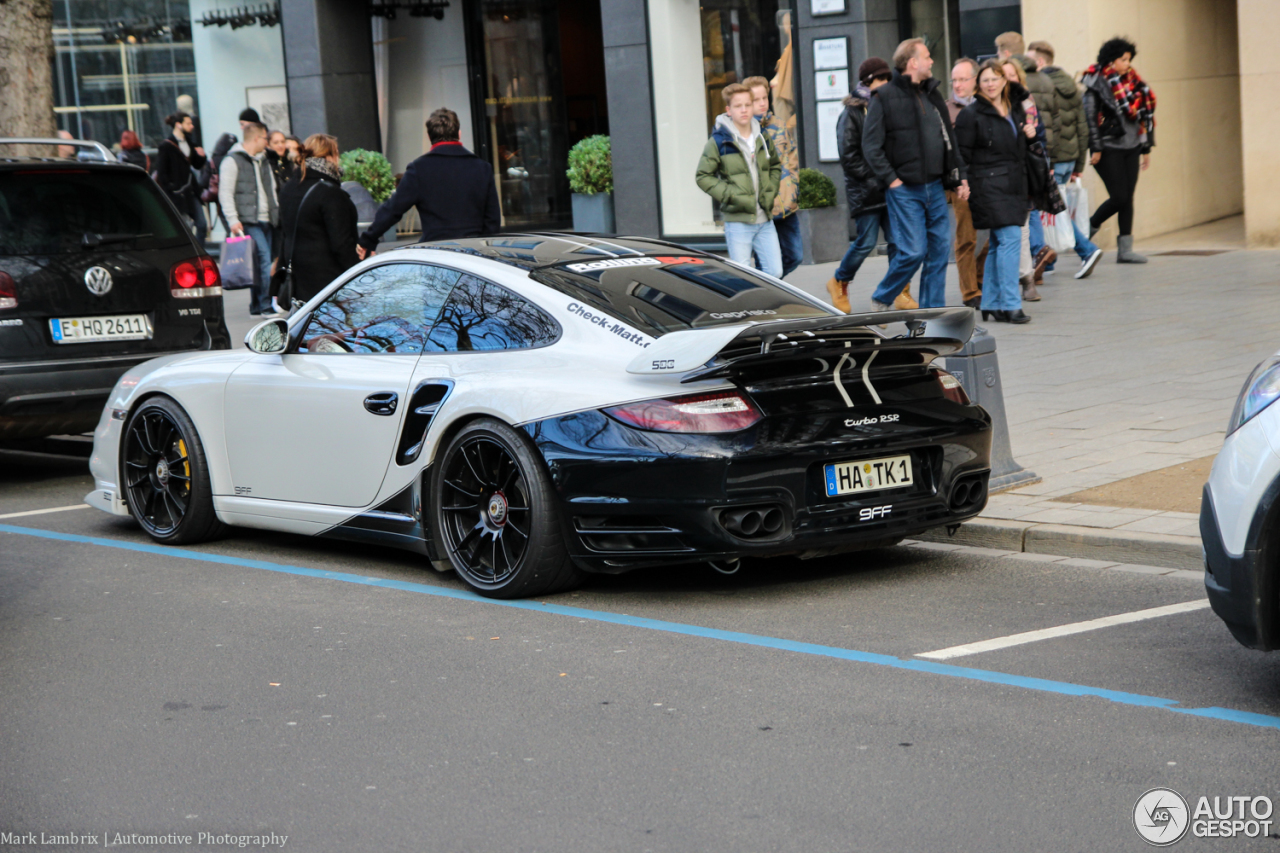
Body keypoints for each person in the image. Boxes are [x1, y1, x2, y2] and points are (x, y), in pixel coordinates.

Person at [862, 38, 969, 312]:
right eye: (927, 56)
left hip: (935, 187)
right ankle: (883, 296)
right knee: (913, 252)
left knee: (938, 253)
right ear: (913, 62)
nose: (932, 61)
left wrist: (960, 177)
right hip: (904, 190)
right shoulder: (883, 97)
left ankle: (932, 315)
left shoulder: (932, 94)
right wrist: (893, 181)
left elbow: (949, 140)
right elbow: (870, 146)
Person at [955, 60, 1036, 324]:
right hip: (987, 185)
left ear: (1004, 81)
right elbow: (961, 155)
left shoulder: (1013, 110)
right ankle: (1010, 304)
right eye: (985, 80)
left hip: (1014, 184)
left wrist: (1028, 133)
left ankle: (990, 301)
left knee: (999, 244)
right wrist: (962, 182)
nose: (990, 84)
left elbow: (1018, 149)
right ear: (978, 84)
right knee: (1011, 237)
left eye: (995, 79)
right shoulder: (971, 115)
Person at [358, 108, 499, 257]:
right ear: (459, 133)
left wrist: (368, 240)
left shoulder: (419, 168)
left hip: (436, 255)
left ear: (428, 136)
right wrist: (485, 252)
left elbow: (393, 210)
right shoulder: (482, 168)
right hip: (475, 255)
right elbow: (493, 220)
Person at [828, 57, 899, 313]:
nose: (887, 84)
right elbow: (849, 158)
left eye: (888, 79)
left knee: (897, 241)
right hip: (865, 191)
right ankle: (839, 281)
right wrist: (880, 176)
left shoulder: (887, 107)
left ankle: (898, 289)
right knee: (866, 242)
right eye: (882, 79)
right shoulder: (852, 113)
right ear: (869, 82)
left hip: (889, 188)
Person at [1028, 40, 1103, 278]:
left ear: (1040, 61)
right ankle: (1047, 263)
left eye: (1031, 61)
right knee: (1051, 210)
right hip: (1069, 159)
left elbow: (1048, 128)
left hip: (1054, 159)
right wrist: (1078, 164)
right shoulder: (1070, 83)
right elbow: (1082, 126)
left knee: (1054, 211)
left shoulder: (1042, 86)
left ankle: (1086, 249)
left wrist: (1046, 163)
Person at [695, 83, 783, 278]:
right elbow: (703, 176)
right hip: (738, 221)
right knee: (743, 276)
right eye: (738, 106)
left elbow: (776, 165)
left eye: (747, 105)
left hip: (764, 219)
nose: (744, 110)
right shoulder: (719, 141)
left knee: (775, 272)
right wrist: (732, 196)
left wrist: (770, 191)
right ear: (728, 110)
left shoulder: (762, 136)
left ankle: (762, 307)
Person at [1082, 37, 1155, 263]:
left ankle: (1125, 250)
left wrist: (1145, 147)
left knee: (1128, 198)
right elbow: (1090, 119)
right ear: (1111, 61)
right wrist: (1095, 148)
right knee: (1119, 196)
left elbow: (1146, 116)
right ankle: (1089, 227)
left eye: (1129, 59)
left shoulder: (1135, 82)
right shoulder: (1096, 83)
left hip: (1132, 146)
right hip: (1108, 147)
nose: (1128, 63)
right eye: (1123, 59)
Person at [275, 133, 359, 309]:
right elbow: (341, 244)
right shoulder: (330, 192)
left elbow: (284, 233)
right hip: (328, 282)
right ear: (329, 156)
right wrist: (357, 274)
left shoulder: (288, 188)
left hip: (298, 278)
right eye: (337, 153)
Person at [1001, 59, 1052, 301]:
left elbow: (1041, 138)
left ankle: (1027, 279)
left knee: (1022, 230)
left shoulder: (1027, 104)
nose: (1008, 79)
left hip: (1024, 174)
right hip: (999, 176)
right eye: (1004, 75)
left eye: (1012, 75)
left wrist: (1033, 138)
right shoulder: (994, 106)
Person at [218, 121, 279, 315]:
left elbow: (272, 191)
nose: (267, 142)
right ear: (256, 138)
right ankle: (265, 305)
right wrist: (232, 219)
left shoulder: (264, 160)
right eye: (265, 138)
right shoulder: (232, 161)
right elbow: (225, 193)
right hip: (247, 221)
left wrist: (275, 214)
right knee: (264, 260)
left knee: (258, 263)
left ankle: (255, 305)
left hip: (266, 219)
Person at [745, 76, 802, 278]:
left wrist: (793, 186)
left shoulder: (779, 125)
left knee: (795, 256)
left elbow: (792, 158)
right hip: (762, 210)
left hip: (786, 205)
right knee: (767, 263)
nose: (762, 103)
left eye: (765, 98)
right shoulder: (743, 131)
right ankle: (766, 298)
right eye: (756, 100)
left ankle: (765, 290)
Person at [945, 58, 982, 309]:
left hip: (988, 179)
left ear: (975, 81)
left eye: (962, 79)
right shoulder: (946, 109)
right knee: (966, 237)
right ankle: (970, 292)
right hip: (960, 181)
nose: (957, 85)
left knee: (996, 237)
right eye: (954, 80)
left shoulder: (986, 107)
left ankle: (980, 279)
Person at [154, 112, 209, 243]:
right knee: (185, 228)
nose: (192, 126)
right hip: (177, 194)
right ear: (178, 125)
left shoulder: (189, 142)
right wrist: (171, 187)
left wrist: (202, 156)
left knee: (202, 225)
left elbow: (196, 164)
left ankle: (199, 252)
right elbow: (162, 172)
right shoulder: (166, 145)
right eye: (188, 123)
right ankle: (190, 253)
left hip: (191, 190)